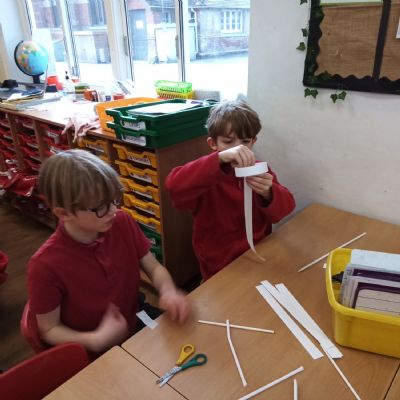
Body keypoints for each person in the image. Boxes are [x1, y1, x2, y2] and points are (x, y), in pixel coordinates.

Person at [27, 149, 190, 354]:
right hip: (91, 346)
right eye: (100, 207)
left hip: (136, 316)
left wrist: (168, 290)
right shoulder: (45, 265)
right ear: (64, 213)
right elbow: (49, 329)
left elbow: (154, 267)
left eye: (114, 199)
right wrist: (96, 339)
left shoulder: (121, 221)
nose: (113, 211)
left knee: (182, 345)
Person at [165, 100, 295, 280]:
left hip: (258, 254)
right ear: (213, 143)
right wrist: (220, 159)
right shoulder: (205, 174)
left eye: (245, 141)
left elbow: (285, 209)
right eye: (228, 142)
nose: (237, 149)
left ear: (253, 142)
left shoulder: (258, 170)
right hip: (218, 264)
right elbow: (174, 187)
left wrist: (269, 192)